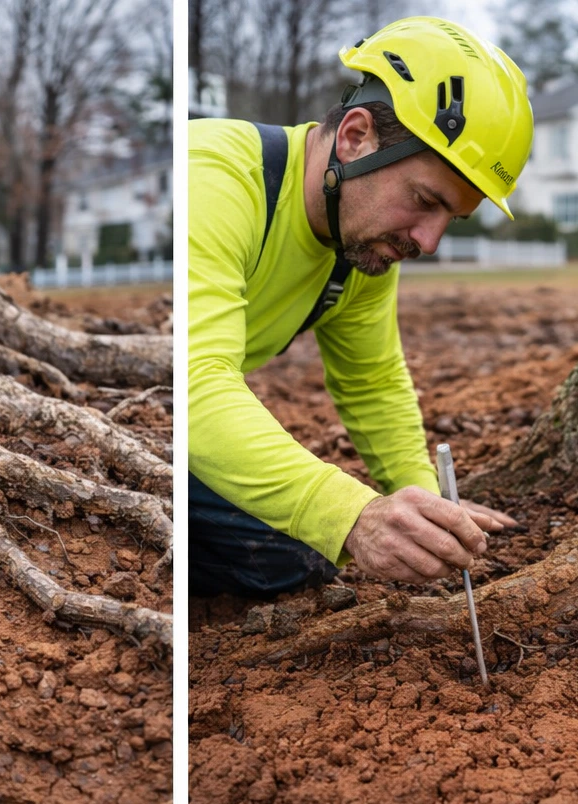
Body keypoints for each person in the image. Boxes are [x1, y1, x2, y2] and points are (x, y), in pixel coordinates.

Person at [188, 17, 533, 597]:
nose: (428, 242)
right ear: (355, 138)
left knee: (294, 554)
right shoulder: (214, 177)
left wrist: (428, 504)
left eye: (451, 219)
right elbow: (195, 382)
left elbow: (371, 380)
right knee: (296, 552)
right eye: (425, 200)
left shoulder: (361, 237)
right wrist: (350, 515)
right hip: (162, 412)